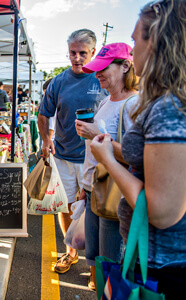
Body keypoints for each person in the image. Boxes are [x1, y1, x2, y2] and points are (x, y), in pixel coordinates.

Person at [90, 1, 186, 298]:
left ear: (154, 41)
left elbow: (161, 211)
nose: (133, 49)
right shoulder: (165, 101)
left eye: (135, 39)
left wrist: (108, 159)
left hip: (160, 267)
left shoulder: (168, 108)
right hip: (153, 259)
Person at [37, 28, 108, 274]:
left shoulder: (102, 79)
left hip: (95, 158)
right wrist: (46, 139)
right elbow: (43, 113)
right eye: (72, 53)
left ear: (93, 53)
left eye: (82, 53)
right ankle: (71, 252)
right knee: (67, 206)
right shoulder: (58, 81)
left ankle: (95, 266)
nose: (76, 58)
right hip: (64, 156)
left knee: (96, 210)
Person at [75, 42, 139, 290]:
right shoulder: (105, 102)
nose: (97, 74)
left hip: (116, 196)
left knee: (113, 266)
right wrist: (85, 186)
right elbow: (94, 155)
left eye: (103, 68)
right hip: (96, 191)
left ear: (125, 66)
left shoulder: (133, 105)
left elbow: (138, 158)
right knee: (98, 260)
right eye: (96, 69)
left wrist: (95, 136)